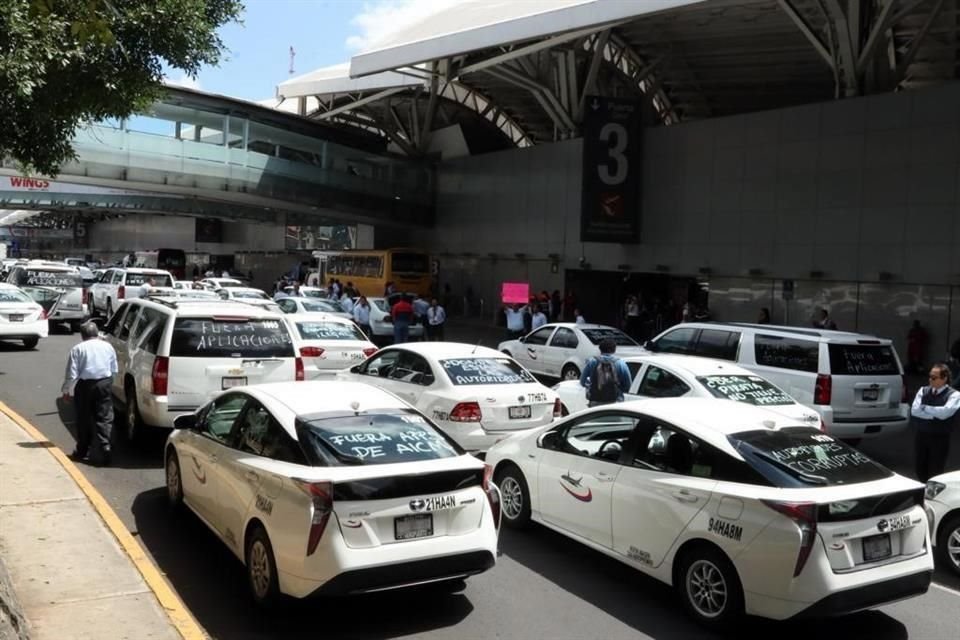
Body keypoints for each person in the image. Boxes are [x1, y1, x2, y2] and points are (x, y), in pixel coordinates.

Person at [61, 322, 118, 466]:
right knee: (104, 417)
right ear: (97, 333)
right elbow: (114, 369)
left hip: (85, 386)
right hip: (104, 383)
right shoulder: (108, 347)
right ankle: (106, 446)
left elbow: (71, 373)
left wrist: (66, 390)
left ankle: (82, 450)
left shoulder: (77, 349)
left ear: (82, 335)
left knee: (83, 418)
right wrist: (109, 383)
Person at [910, 363, 960, 482]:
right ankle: (921, 495)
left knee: (935, 471)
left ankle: (930, 497)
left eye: (934, 377)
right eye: (929, 376)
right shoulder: (923, 390)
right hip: (922, 436)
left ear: (944, 378)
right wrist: (934, 414)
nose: (930, 380)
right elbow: (914, 411)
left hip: (939, 438)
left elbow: (945, 413)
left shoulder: (954, 395)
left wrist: (925, 408)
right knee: (920, 468)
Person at [579, 338, 632, 407]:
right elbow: (628, 385)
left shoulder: (592, 362)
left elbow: (582, 381)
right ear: (614, 350)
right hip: (615, 402)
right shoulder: (621, 364)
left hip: (595, 401)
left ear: (600, 349)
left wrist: (590, 386)